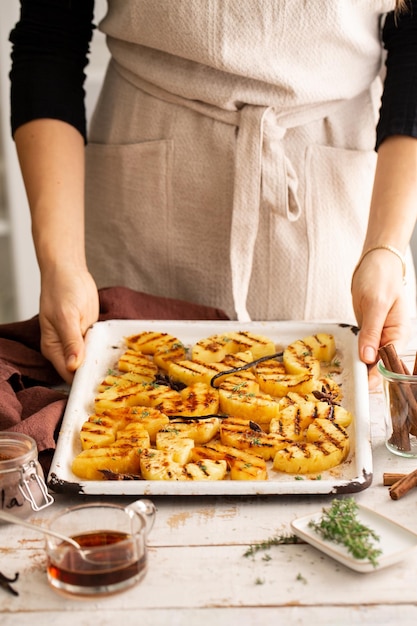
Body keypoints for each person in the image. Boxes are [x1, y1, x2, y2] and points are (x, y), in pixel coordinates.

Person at [8, 0, 417, 385]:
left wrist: (386, 248)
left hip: (336, 184)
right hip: (143, 174)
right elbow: (50, 42)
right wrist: (62, 263)